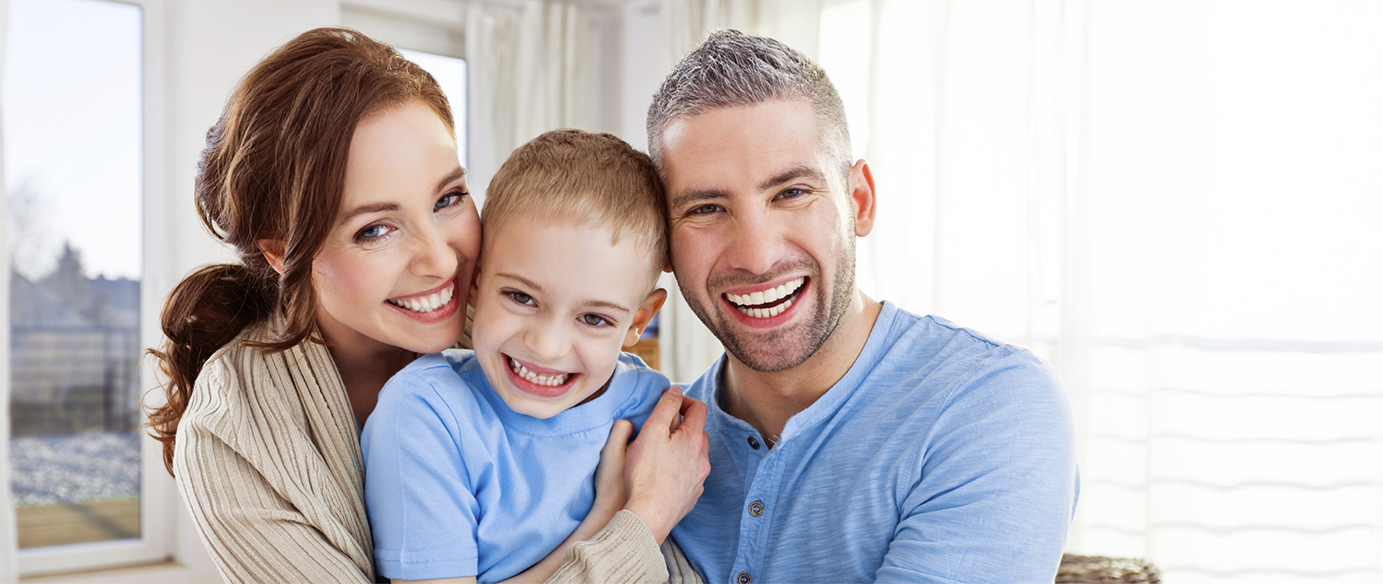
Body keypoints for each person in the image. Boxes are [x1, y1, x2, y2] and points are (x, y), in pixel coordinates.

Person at [146, 28, 707, 583]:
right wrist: (628, 521)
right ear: (281, 253)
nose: (441, 260)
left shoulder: (518, 328)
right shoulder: (233, 436)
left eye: (448, 198)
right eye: (376, 229)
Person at [650, 30, 1080, 583]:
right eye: (707, 208)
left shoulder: (991, 403)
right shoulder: (643, 441)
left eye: (791, 193)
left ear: (859, 203)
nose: (756, 257)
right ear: (663, 241)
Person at [361, 129, 704, 583]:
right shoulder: (427, 412)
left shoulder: (658, 413)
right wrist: (613, 518)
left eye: (594, 319)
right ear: (476, 283)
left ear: (637, 323)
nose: (547, 347)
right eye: (521, 297)